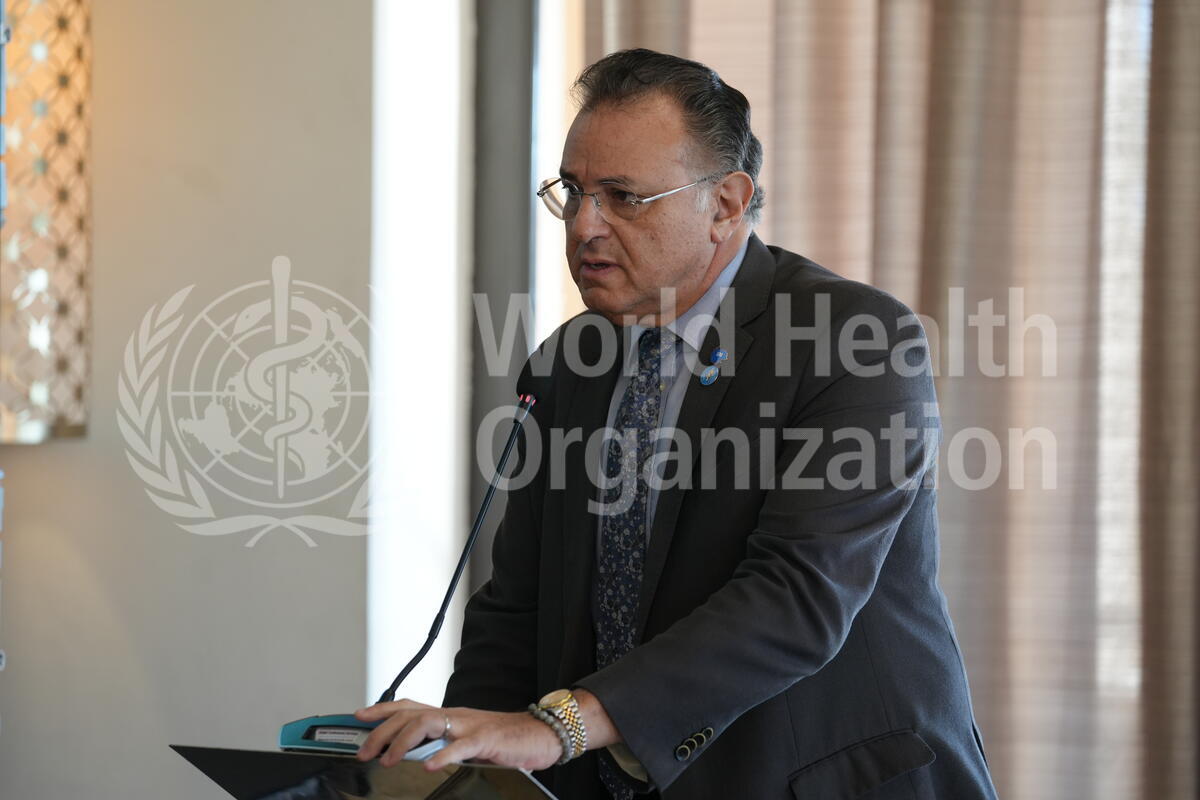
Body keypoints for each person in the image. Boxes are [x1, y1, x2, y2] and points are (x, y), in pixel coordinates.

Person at [355, 49, 998, 799]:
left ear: (725, 204)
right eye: (573, 191)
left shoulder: (855, 339)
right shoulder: (568, 362)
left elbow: (796, 597)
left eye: (623, 197)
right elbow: (517, 610)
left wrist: (558, 726)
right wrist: (460, 764)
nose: (585, 225)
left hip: (815, 778)